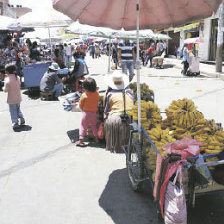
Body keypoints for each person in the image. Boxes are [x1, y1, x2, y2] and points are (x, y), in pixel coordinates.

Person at [103, 70, 134, 153]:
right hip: (131, 117)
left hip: (115, 119)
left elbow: (106, 109)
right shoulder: (130, 92)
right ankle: (127, 142)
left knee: (107, 119)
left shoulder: (109, 94)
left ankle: (115, 144)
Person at [76, 77, 100, 147]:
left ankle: (81, 141)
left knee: (83, 126)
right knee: (93, 126)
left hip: (86, 113)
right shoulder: (97, 94)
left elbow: (80, 105)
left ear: (85, 88)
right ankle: (96, 138)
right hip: (94, 113)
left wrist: (82, 109)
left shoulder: (84, 95)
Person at [3, 63, 25, 130]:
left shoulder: (7, 80)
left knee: (13, 111)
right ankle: (21, 116)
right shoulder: (17, 77)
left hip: (11, 99)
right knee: (17, 108)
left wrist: (3, 88)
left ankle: (15, 123)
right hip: (18, 98)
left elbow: (6, 90)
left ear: (7, 71)